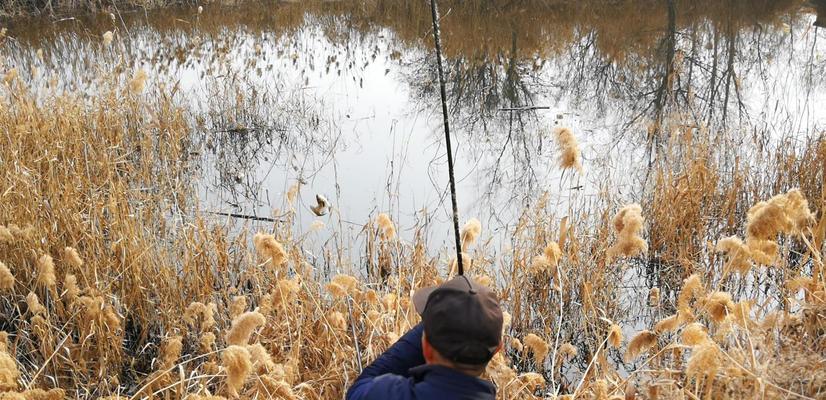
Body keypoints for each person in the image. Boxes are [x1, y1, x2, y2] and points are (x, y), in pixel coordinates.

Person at [346, 275, 504, 399]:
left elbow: (359, 390)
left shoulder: (387, 394)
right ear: (497, 349)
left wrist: (431, 325)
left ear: (426, 347)